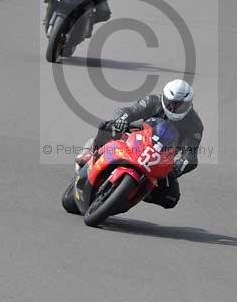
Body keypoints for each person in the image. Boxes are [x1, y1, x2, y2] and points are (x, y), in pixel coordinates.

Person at [75, 79, 204, 209]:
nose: (174, 108)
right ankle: (91, 152)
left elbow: (191, 155)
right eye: (171, 103)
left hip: (160, 158)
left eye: (180, 105)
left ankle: (137, 193)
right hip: (136, 140)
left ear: (189, 104)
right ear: (164, 98)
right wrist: (122, 120)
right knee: (108, 127)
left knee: (171, 198)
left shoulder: (195, 124)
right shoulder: (153, 101)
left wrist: (178, 168)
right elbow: (129, 112)